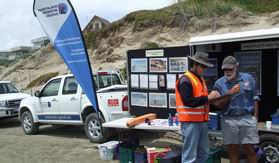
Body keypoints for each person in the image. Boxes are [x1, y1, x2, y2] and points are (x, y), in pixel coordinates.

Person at [175, 52, 220, 163]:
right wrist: (208, 98)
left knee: (204, 154)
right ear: (194, 64)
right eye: (202, 66)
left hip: (202, 122)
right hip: (190, 123)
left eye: (205, 66)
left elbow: (203, 101)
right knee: (189, 156)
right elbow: (188, 101)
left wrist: (214, 101)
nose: (204, 69)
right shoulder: (185, 79)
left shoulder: (201, 79)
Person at [214, 56, 260, 163]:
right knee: (233, 150)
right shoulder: (219, 83)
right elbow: (219, 105)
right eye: (225, 69)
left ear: (236, 66)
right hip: (229, 119)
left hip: (247, 118)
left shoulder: (248, 78)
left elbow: (255, 99)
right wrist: (230, 93)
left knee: (250, 149)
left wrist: (255, 118)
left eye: (230, 69)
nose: (227, 71)